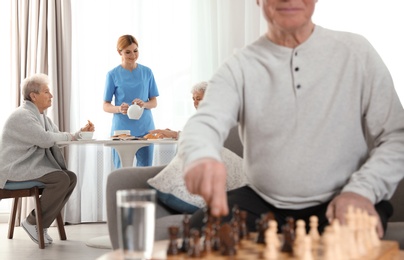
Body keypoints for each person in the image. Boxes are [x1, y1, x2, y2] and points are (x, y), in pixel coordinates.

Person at [179, 0, 404, 239]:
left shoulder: (357, 51)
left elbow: (396, 136)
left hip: (346, 198)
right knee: (201, 231)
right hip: (262, 203)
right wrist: (200, 156)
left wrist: (362, 192)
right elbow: (204, 123)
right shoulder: (240, 66)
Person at [0, 73, 95, 245]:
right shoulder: (22, 115)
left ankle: (40, 225)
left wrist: (80, 134)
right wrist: (71, 136)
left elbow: (56, 139)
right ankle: (32, 222)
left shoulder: (42, 117)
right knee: (60, 179)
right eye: (46, 92)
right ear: (33, 95)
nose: (51, 96)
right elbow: (45, 140)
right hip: (14, 169)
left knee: (70, 177)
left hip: (29, 166)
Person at [103, 34, 159, 168]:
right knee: (121, 171)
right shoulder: (112, 74)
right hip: (122, 131)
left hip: (145, 129)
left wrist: (144, 104)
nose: (133, 55)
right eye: (128, 52)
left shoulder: (147, 72)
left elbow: (154, 102)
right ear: (119, 52)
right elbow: (105, 105)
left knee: (144, 171)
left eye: (135, 51)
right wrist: (118, 109)